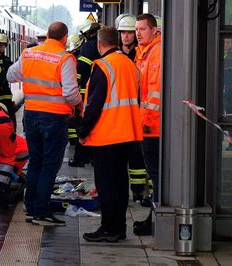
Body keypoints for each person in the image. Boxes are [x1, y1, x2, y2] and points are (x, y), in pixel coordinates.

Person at [7, 21, 82, 226]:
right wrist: (80, 103)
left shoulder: (29, 54)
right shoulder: (65, 58)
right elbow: (70, 92)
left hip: (30, 116)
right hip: (54, 118)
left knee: (36, 163)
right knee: (49, 165)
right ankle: (41, 212)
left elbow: (10, 75)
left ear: (48, 35)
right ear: (65, 38)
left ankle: (31, 208)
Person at [78, 26, 142, 242]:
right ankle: (119, 227)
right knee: (121, 184)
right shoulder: (130, 64)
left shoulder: (103, 66)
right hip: (128, 134)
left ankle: (109, 228)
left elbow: (94, 104)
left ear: (99, 44)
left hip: (107, 135)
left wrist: (83, 131)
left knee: (106, 185)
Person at [133, 13, 162, 236]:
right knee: (154, 175)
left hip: (154, 127)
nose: (137, 33)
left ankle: (156, 220)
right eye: (136, 29)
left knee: (156, 174)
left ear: (154, 30)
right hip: (148, 124)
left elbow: (155, 94)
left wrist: (147, 123)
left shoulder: (156, 53)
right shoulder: (143, 53)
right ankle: (153, 218)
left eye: (142, 29)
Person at [115, 14, 149, 204]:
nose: (126, 36)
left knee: (137, 156)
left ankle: (137, 192)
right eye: (123, 33)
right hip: (120, 112)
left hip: (138, 110)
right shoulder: (116, 56)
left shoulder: (139, 54)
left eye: (130, 32)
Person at [69, 19, 101, 167]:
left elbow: (81, 67)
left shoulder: (88, 46)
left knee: (83, 124)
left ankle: (80, 158)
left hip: (87, 91)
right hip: (100, 89)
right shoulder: (100, 44)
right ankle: (93, 157)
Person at [66, 33, 85, 146]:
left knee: (75, 119)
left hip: (78, 93)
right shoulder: (75, 58)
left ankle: (74, 140)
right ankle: (74, 139)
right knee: (74, 119)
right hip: (76, 93)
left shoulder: (78, 59)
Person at [0, 33, 16, 129]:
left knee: (10, 114)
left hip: (5, 92)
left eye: (3, 45)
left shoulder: (7, 60)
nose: (1, 47)